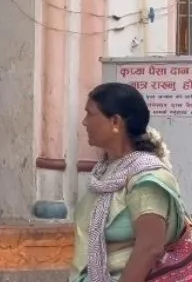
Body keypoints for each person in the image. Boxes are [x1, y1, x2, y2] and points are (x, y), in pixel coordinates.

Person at [71, 82, 191, 281]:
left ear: (115, 122)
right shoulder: (105, 172)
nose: (84, 122)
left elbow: (150, 248)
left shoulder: (146, 179)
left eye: (90, 114)